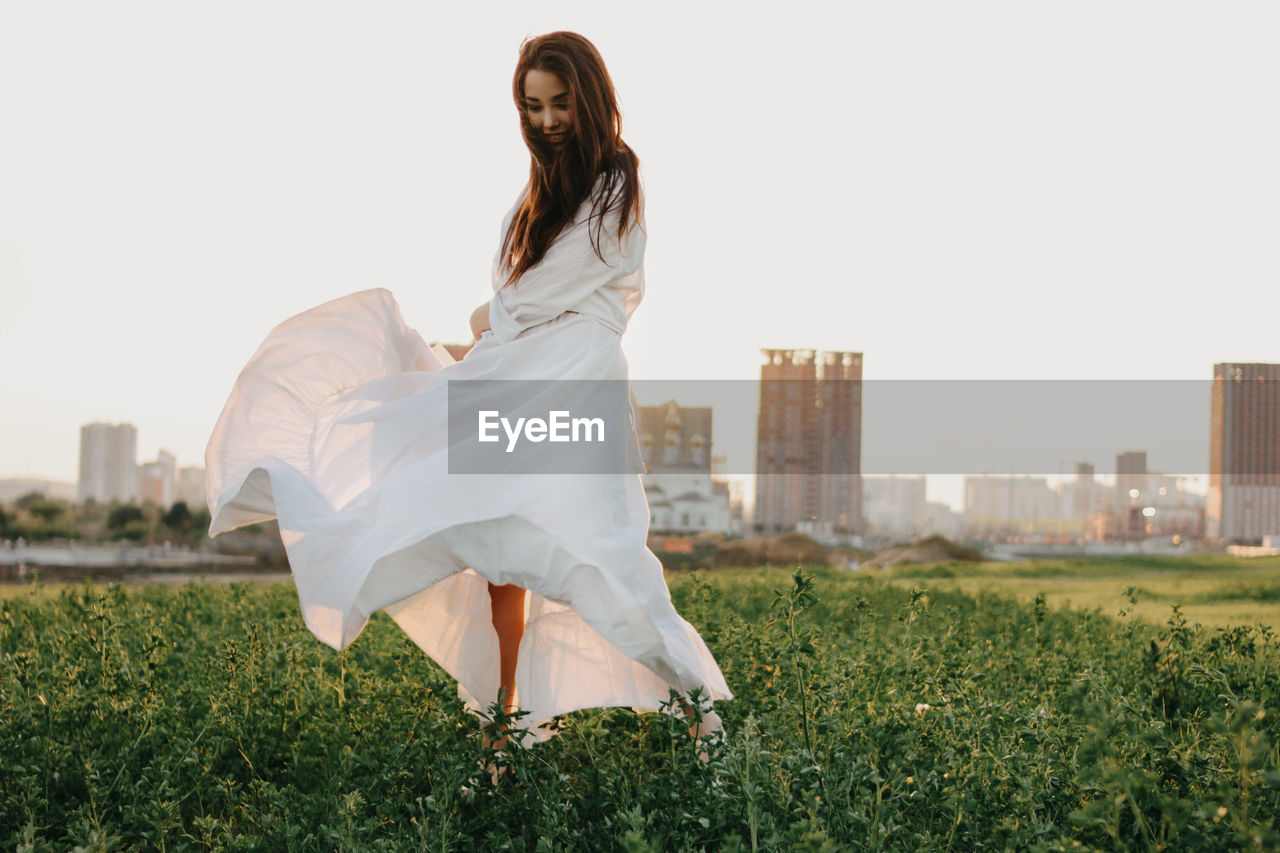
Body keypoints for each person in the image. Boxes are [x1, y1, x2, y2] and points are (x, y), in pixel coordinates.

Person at [203, 31, 731, 780]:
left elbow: (549, 287)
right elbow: (521, 290)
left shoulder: (617, 178)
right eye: (533, 106)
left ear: (591, 94)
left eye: (559, 102)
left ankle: (698, 713)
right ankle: (507, 724)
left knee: (599, 550)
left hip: (572, 379)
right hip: (518, 371)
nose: (547, 119)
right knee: (493, 543)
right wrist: (495, 323)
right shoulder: (536, 192)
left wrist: (492, 317)